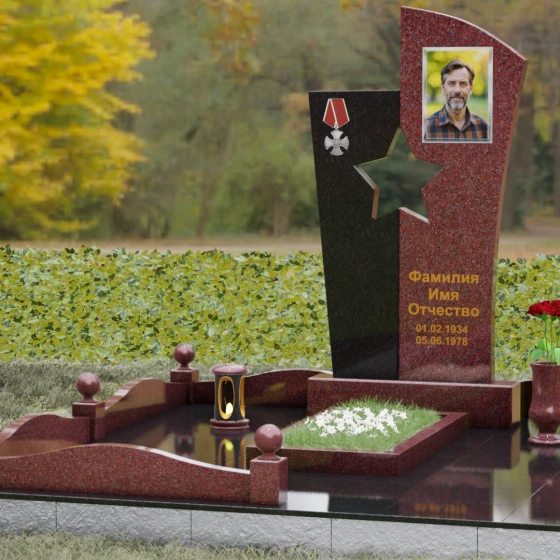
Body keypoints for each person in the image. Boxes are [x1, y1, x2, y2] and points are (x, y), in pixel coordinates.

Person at [424, 59, 489, 141]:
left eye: (463, 84)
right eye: (451, 83)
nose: (457, 90)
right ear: (443, 88)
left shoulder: (485, 128)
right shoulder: (425, 128)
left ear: (471, 89)